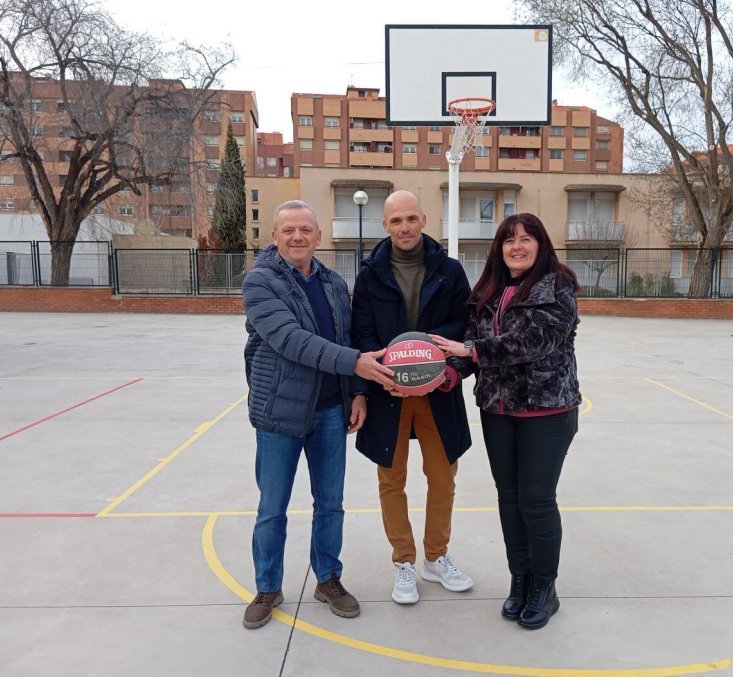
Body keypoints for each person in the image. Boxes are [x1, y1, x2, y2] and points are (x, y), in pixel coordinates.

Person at [241, 200, 396, 629]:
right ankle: (268, 586)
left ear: (318, 237)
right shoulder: (259, 282)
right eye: (288, 229)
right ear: (274, 237)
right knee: (272, 507)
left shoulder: (331, 282)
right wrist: (357, 363)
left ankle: (328, 578)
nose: (297, 237)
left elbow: (346, 337)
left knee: (331, 503)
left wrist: (359, 393)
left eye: (305, 230)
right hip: (280, 414)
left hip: (331, 412)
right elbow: (292, 340)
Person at [431, 213, 581, 630]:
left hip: (547, 412)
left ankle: (545, 587)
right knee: (509, 498)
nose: (517, 246)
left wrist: (469, 352)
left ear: (541, 244)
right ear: (499, 248)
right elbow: (471, 353)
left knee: (536, 499)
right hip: (498, 411)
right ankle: (521, 580)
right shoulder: (488, 292)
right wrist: (449, 374)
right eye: (509, 240)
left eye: (526, 239)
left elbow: (532, 342)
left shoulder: (559, 287)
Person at [351, 190, 474, 605]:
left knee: (443, 478)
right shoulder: (370, 274)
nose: (404, 227)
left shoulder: (451, 270)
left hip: (436, 391)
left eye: (410, 218)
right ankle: (404, 560)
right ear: (385, 225)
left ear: (423, 218)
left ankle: (436, 558)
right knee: (392, 479)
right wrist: (379, 373)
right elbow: (362, 333)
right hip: (390, 390)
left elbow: (467, 329)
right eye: (395, 221)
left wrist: (447, 372)